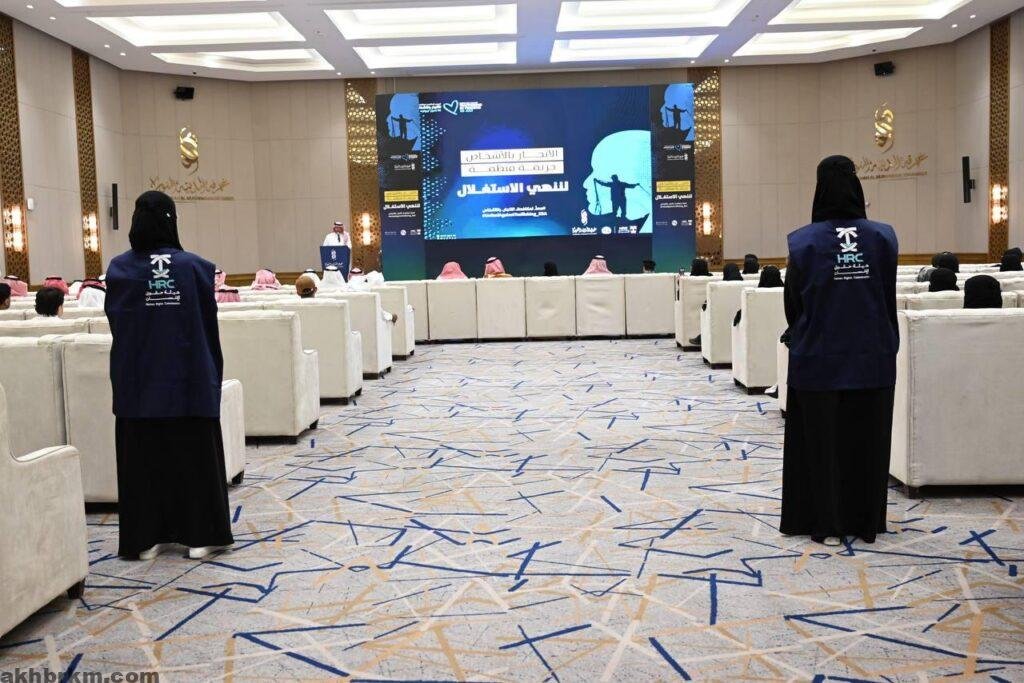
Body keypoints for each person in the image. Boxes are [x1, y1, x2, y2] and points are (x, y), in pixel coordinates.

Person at [105, 190, 233, 561]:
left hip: (138, 386)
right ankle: (202, 536)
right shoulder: (196, 268)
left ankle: (145, 539)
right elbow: (207, 327)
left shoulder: (119, 270)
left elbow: (118, 325)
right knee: (194, 461)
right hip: (189, 381)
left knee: (143, 464)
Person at [780, 155, 898, 546]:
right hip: (872, 357)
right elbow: (887, 297)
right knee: (866, 441)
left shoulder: (803, 242)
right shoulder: (883, 238)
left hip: (818, 359)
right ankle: (865, 522)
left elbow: (793, 305)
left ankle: (824, 522)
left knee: (821, 445)